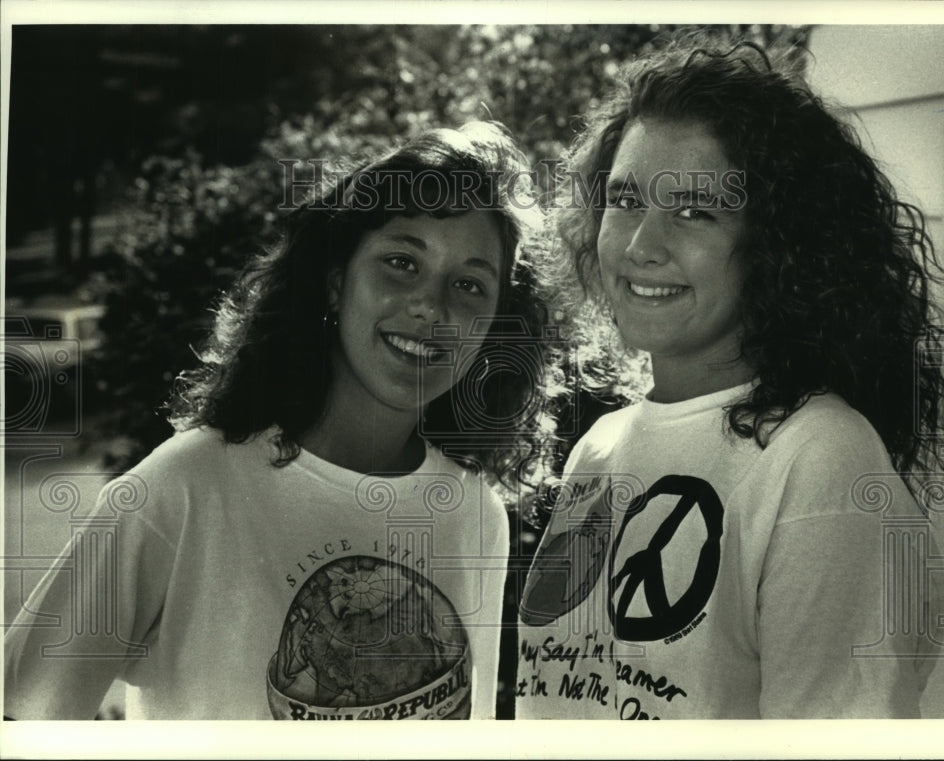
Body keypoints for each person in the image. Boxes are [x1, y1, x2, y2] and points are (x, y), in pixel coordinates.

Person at [5, 121, 551, 720]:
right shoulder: (184, 488)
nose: (432, 305)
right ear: (336, 283)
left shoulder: (475, 516)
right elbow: (22, 718)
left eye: (471, 285)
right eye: (401, 261)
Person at [516, 39, 944, 719]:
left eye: (696, 211)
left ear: (778, 244)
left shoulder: (820, 459)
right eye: (626, 199)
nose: (642, 245)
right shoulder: (598, 449)